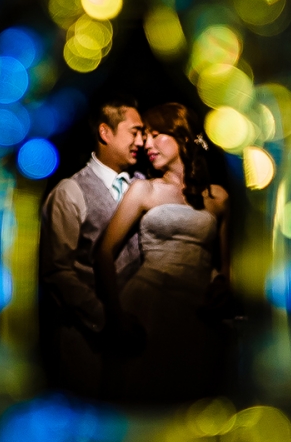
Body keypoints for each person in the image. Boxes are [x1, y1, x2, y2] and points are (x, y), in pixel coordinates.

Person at [94, 102, 230, 402]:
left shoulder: (218, 197)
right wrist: (116, 315)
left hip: (198, 312)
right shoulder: (144, 191)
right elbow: (103, 252)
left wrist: (221, 284)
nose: (147, 144)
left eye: (157, 135)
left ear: (181, 137)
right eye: (145, 136)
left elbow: (225, 268)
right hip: (147, 303)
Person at [38, 96, 146, 397]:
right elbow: (57, 272)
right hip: (87, 340)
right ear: (105, 132)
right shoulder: (69, 191)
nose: (142, 140)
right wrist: (107, 319)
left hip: (142, 337)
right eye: (134, 131)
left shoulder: (145, 186)